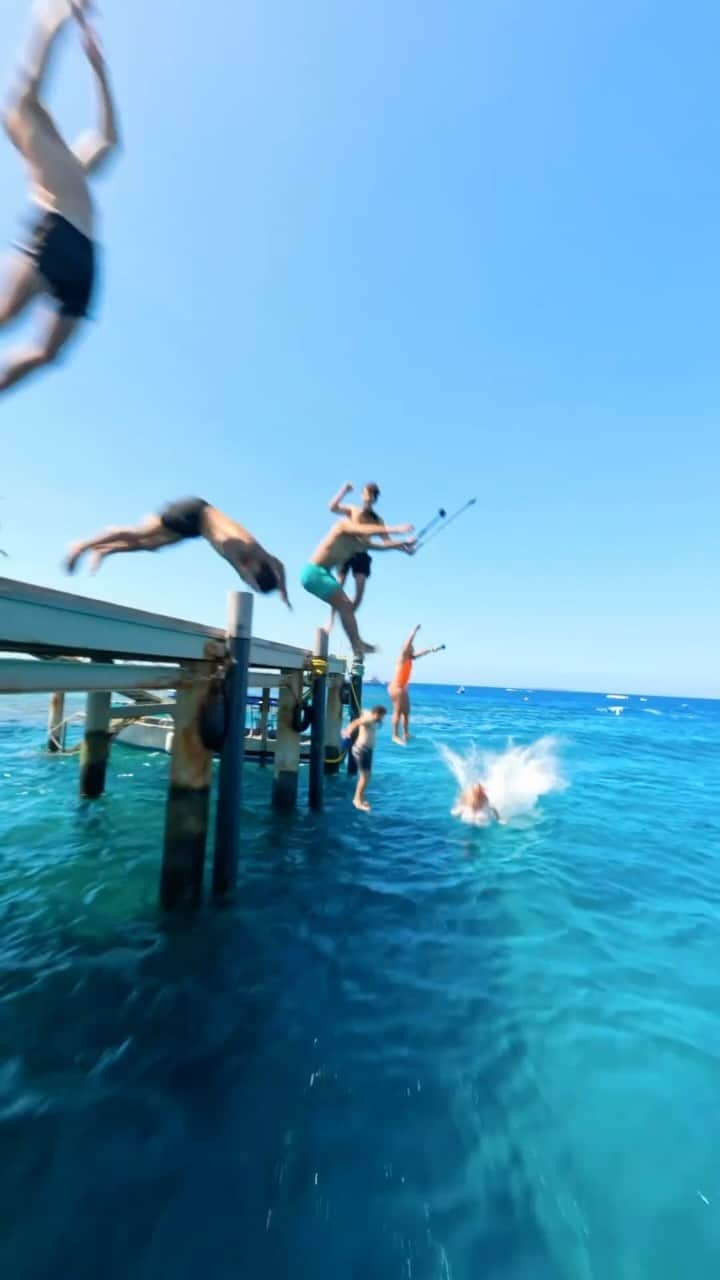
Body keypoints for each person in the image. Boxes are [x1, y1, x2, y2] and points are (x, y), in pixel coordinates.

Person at [0, 0, 119, 394]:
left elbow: (108, 141)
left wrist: (100, 74)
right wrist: (59, 14)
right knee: (6, 316)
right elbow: (33, 70)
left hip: (84, 259)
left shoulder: (71, 161)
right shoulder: (23, 116)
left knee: (49, 353)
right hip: (55, 235)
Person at [64, 496, 291, 604]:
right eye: (249, 579)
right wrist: (255, 581)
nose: (245, 580)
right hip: (194, 512)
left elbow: (280, 566)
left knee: (152, 545)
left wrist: (284, 591)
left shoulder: (262, 555)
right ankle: (82, 546)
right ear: (253, 570)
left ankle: (105, 551)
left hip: (197, 526)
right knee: (141, 534)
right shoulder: (237, 549)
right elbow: (245, 573)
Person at [301, 514, 416, 656]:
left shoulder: (357, 544)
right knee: (345, 605)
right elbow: (366, 530)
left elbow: (380, 546)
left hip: (322, 574)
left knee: (345, 607)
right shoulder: (342, 526)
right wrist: (395, 529)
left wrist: (404, 545)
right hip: (314, 572)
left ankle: (356, 644)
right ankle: (357, 644)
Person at [326, 481, 390, 630]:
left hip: (362, 555)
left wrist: (405, 546)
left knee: (360, 592)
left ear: (375, 499)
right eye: (367, 493)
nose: (368, 497)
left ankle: (348, 617)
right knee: (338, 586)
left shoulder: (378, 520)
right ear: (362, 495)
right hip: (346, 552)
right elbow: (332, 507)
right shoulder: (352, 510)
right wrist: (343, 490)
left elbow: (387, 541)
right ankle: (331, 620)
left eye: (372, 495)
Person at [388, 624, 445, 744]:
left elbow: (420, 654)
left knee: (406, 712)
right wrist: (414, 631)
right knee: (397, 711)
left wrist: (431, 649)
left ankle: (406, 734)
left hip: (402, 688)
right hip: (395, 687)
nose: (413, 649)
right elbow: (407, 644)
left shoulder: (410, 658)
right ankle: (394, 735)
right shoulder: (402, 657)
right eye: (411, 648)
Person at [344, 705, 387, 812]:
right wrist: (347, 732)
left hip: (366, 750)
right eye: (382, 716)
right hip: (362, 749)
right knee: (365, 776)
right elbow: (356, 723)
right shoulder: (369, 718)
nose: (382, 719)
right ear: (377, 713)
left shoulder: (370, 717)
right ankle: (356, 800)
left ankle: (361, 798)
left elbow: (364, 711)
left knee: (366, 776)